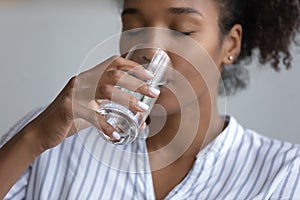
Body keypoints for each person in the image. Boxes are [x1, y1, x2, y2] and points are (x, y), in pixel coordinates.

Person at [1, 0, 300, 199]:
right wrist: (34, 137)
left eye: (182, 31)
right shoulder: (50, 141)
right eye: (134, 28)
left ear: (229, 45)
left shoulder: (284, 174)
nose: (149, 48)